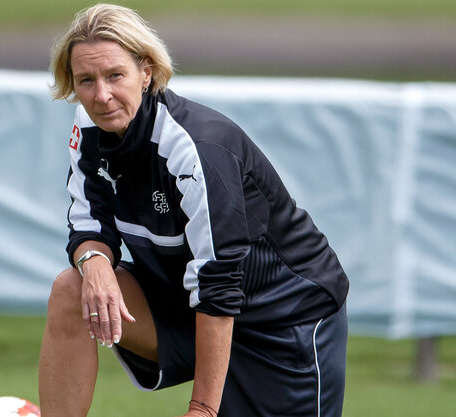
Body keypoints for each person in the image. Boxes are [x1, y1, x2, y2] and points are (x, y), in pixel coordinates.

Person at [38, 4, 349, 417]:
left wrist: (202, 409)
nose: (101, 94)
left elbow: (217, 278)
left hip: (283, 320)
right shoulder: (89, 127)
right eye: (86, 81)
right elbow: (87, 221)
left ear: (146, 72)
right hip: (191, 306)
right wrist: (94, 263)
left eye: (115, 75)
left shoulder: (196, 147)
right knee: (70, 290)